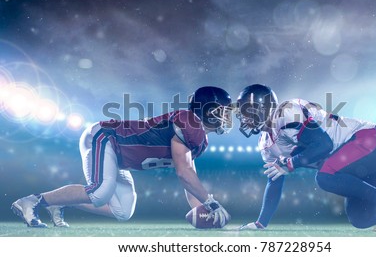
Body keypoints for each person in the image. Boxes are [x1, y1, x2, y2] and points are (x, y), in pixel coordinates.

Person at [11, 86, 232, 228]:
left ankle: (58, 204)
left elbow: (189, 178)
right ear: (208, 110)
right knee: (100, 191)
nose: (227, 117)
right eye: (223, 111)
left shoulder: (197, 138)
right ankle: (32, 201)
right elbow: (184, 174)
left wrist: (201, 210)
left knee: (123, 211)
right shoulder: (189, 123)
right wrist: (211, 202)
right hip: (105, 137)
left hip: (118, 156)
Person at [236, 84, 376, 231]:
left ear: (264, 108)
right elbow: (275, 179)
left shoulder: (286, 112)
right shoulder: (267, 143)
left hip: (370, 140)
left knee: (325, 177)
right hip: (357, 159)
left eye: (248, 110)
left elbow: (323, 145)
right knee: (361, 218)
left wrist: (290, 163)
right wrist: (261, 223)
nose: (244, 117)